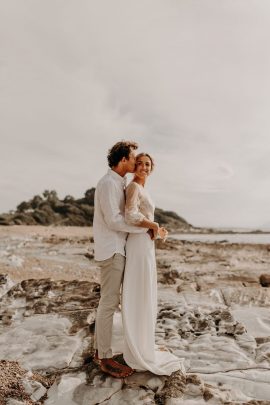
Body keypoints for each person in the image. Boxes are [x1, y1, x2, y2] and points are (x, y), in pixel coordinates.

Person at [93, 141, 164, 378]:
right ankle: (104, 358)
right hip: (112, 249)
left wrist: (148, 230)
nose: (137, 163)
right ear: (124, 159)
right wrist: (147, 228)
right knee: (109, 302)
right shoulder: (107, 184)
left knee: (112, 301)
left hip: (120, 248)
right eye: (134, 158)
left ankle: (101, 350)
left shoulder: (119, 182)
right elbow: (115, 220)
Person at [122, 153, 185, 375]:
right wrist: (154, 224)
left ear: (152, 168)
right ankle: (137, 347)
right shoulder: (133, 188)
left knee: (146, 290)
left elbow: (143, 221)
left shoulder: (144, 190)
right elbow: (130, 216)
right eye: (138, 164)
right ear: (134, 167)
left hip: (146, 244)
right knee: (139, 290)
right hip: (138, 245)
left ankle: (144, 342)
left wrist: (157, 232)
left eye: (147, 164)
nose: (143, 167)